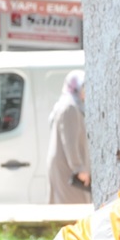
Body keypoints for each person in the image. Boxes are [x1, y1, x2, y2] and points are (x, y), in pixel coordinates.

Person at [47, 69, 91, 204]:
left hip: (65, 165)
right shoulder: (69, 108)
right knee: (73, 207)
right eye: (84, 87)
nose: (86, 91)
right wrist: (79, 169)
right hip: (68, 169)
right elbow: (70, 142)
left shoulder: (69, 104)